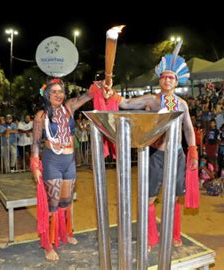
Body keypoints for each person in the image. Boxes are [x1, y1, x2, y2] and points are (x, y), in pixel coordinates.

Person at [104, 43, 198, 250]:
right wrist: (112, 95)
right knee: (149, 198)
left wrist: (193, 152)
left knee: (172, 200)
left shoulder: (182, 104)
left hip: (177, 155)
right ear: (160, 80)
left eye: (171, 77)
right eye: (164, 77)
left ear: (176, 81)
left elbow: (189, 130)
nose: (167, 80)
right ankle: (150, 238)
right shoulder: (151, 100)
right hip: (156, 155)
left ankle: (173, 236)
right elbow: (127, 105)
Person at [30, 78, 93, 261]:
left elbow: (89, 95)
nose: (58, 95)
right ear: (47, 95)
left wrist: (102, 85)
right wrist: (35, 165)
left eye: (61, 91)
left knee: (66, 202)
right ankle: (48, 245)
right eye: (54, 92)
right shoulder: (41, 116)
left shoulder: (69, 108)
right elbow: (35, 143)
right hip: (52, 161)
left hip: (69, 161)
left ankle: (65, 233)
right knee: (53, 204)